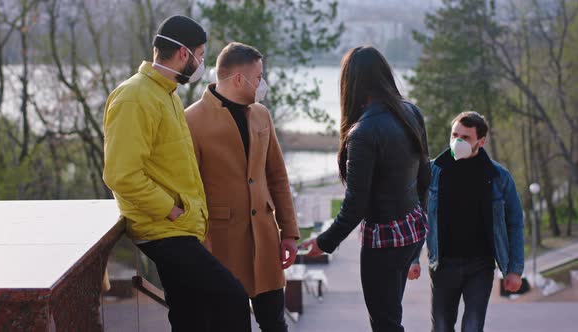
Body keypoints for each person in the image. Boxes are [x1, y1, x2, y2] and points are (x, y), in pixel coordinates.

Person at [102, 16, 250, 332]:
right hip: (162, 228)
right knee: (232, 298)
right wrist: (171, 210)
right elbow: (121, 174)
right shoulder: (134, 96)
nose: (201, 63)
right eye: (201, 54)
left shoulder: (167, 94)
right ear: (184, 54)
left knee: (190, 315)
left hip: (178, 226)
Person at [300, 46, 430, 332]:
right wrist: (419, 237)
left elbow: (356, 205)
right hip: (411, 229)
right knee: (391, 317)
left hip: (383, 239)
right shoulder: (412, 112)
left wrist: (323, 243)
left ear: (351, 83)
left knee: (384, 323)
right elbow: (425, 180)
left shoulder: (363, 133)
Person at [185, 42, 300, 332]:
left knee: (275, 323)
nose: (262, 83)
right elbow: (190, 188)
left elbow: (277, 176)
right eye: (259, 77)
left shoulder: (261, 114)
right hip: (220, 245)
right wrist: (199, 246)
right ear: (238, 78)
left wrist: (289, 232)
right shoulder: (191, 120)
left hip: (265, 240)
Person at [408, 111, 524, 332]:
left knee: (472, 327)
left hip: (481, 266)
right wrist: (413, 259)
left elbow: (515, 223)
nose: (457, 141)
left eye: (466, 137)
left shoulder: (499, 177)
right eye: (454, 135)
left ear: (481, 141)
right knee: (441, 327)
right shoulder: (432, 172)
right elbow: (418, 215)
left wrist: (514, 270)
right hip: (443, 264)